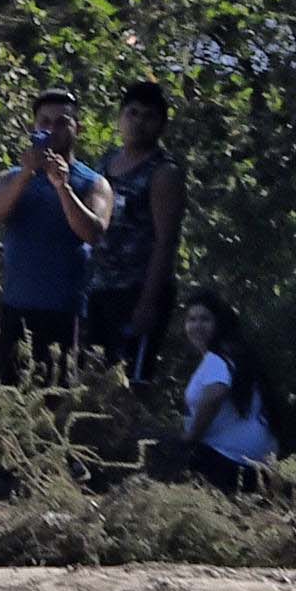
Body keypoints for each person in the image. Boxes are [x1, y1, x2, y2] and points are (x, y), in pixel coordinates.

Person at [0, 87, 111, 380]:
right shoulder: (10, 177)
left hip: (65, 312)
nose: (52, 130)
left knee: (59, 395)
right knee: (10, 394)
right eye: (45, 122)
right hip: (16, 307)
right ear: (34, 127)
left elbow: (93, 233)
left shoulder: (93, 183)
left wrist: (62, 187)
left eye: (62, 122)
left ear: (77, 129)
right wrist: (25, 175)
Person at [86, 79, 187, 382]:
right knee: (91, 379)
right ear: (120, 118)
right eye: (132, 113)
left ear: (162, 125)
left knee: (128, 382)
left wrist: (147, 302)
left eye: (149, 116)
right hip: (99, 288)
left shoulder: (163, 172)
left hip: (137, 290)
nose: (139, 122)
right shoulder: (105, 164)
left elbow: (166, 241)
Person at [178, 286, 278, 493]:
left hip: (229, 463)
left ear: (218, 323)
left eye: (205, 319)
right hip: (258, 465)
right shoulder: (236, 355)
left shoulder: (216, 359)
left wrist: (191, 436)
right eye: (191, 319)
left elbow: (216, 393)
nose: (197, 326)